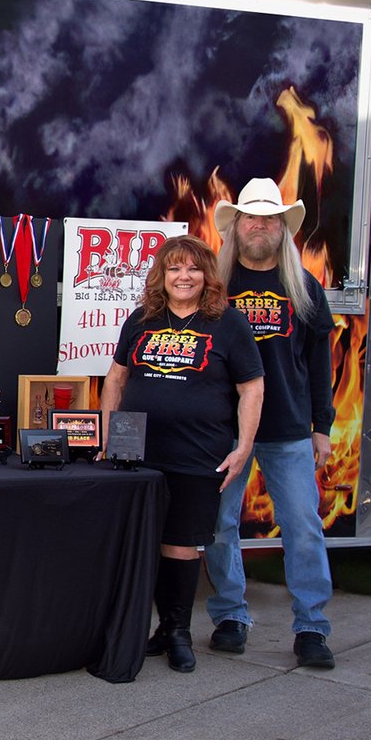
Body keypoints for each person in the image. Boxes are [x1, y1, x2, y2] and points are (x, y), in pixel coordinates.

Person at [101, 235, 263, 673]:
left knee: (182, 545)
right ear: (162, 275)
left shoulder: (228, 324)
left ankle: (178, 632)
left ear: (207, 276)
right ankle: (151, 628)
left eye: (193, 269)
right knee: (145, 543)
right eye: (174, 268)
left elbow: (251, 387)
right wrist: (107, 438)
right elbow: (115, 380)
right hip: (138, 452)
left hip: (197, 454)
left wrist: (243, 447)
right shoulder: (140, 320)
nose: (183, 276)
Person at [205, 177, 337, 669]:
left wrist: (322, 425)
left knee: (303, 525)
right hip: (226, 431)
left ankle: (311, 628)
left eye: (270, 218)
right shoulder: (215, 286)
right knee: (220, 525)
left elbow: (320, 363)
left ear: (283, 228)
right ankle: (230, 616)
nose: (260, 225)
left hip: (287, 428)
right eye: (251, 217)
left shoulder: (303, 287)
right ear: (236, 226)